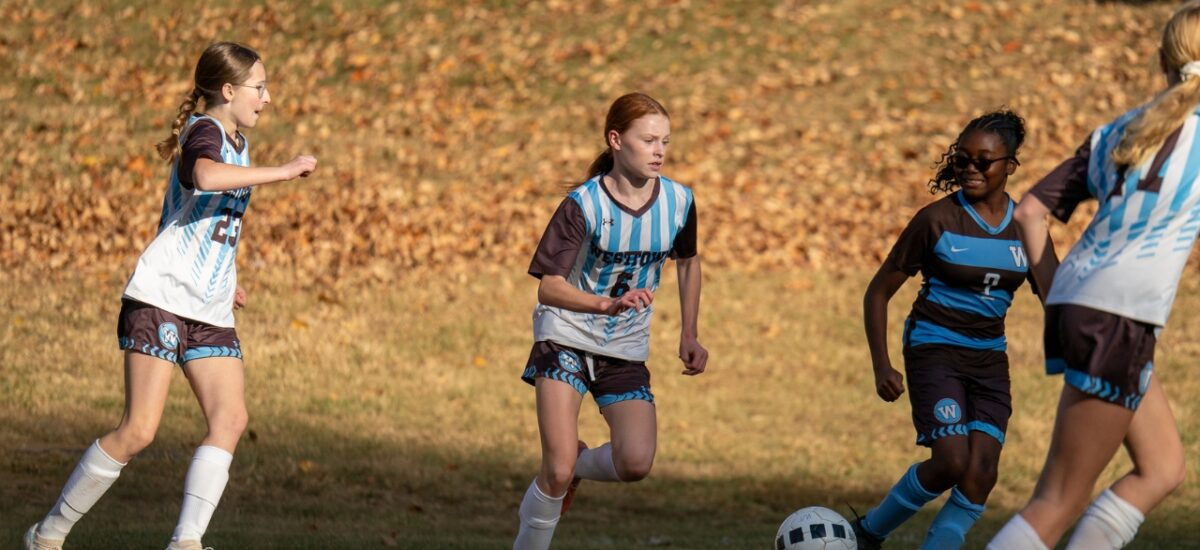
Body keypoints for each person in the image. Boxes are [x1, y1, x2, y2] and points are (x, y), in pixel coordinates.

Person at [24, 41, 317, 550]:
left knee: (230, 419)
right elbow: (203, 177)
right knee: (138, 431)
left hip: (209, 309)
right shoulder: (203, 131)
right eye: (260, 87)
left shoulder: (239, 143)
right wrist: (285, 171)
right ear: (228, 90)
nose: (267, 98)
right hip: (160, 299)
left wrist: (227, 278)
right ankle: (47, 536)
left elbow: (207, 222)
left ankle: (185, 542)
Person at [987, 5, 1200, 549]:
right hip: (1119, 318)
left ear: (1162, 60)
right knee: (1055, 502)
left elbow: (1029, 212)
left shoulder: (1118, 132)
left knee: (1162, 468)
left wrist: (1058, 292)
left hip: (1084, 304)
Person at [512, 92, 708, 550]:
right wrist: (604, 305)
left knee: (636, 462)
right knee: (555, 467)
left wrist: (690, 332)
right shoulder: (582, 205)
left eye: (666, 140)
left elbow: (689, 262)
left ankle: (581, 464)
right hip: (565, 336)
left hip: (623, 347)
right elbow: (549, 286)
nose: (659, 150)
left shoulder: (679, 201)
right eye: (649, 140)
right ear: (616, 140)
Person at [854, 111, 1033, 549]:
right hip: (935, 348)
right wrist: (882, 365)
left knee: (981, 473)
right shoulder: (936, 220)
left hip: (989, 358)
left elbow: (1057, 294)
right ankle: (868, 533)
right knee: (952, 461)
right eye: (962, 159)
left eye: (983, 161)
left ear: (1009, 165)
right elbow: (877, 292)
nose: (970, 169)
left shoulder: (1027, 226)